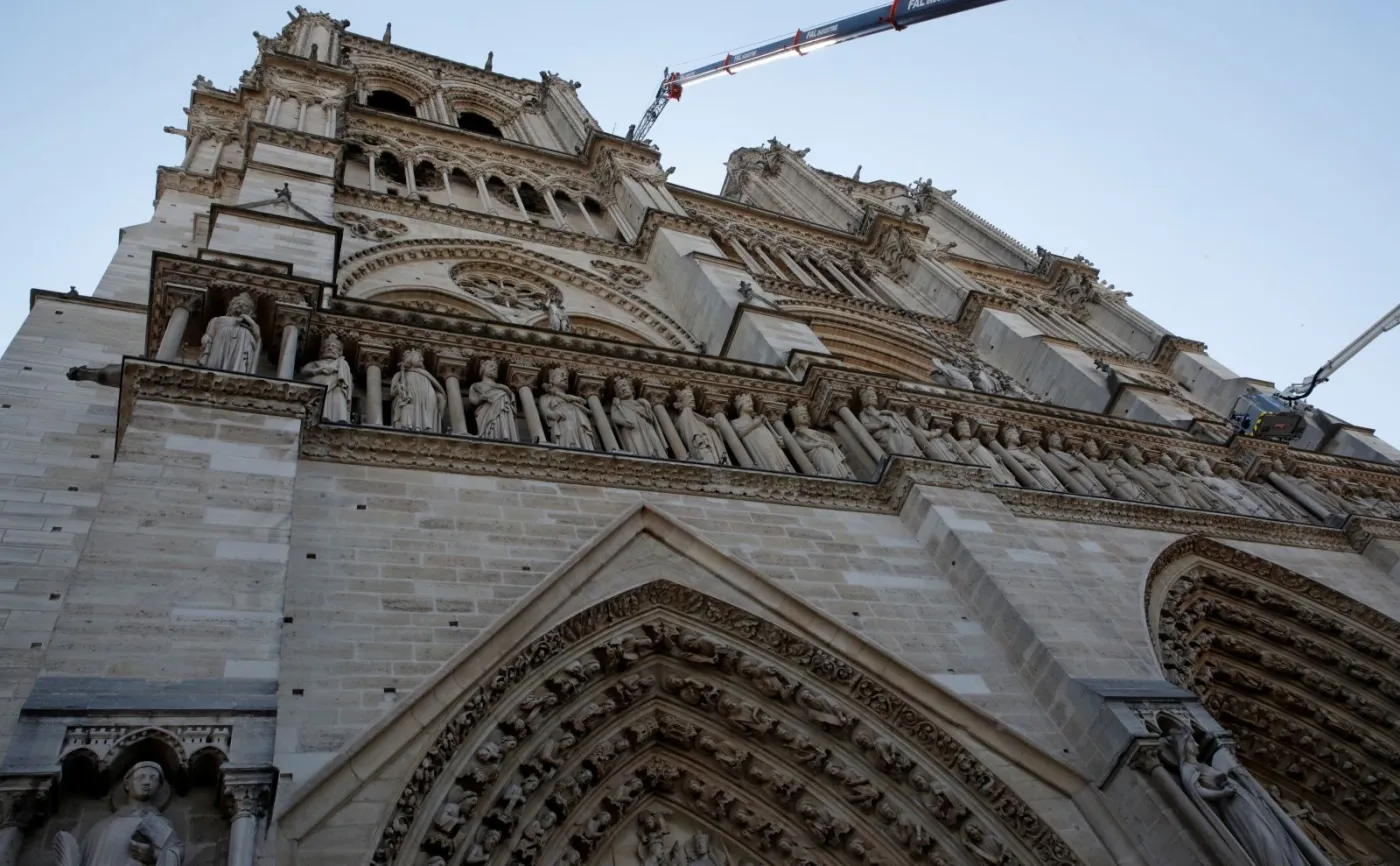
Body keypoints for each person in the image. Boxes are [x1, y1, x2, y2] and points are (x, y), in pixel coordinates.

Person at [54, 762, 185, 866]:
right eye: (141, 777)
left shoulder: (157, 823)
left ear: (159, 787)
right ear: (127, 784)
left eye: (153, 779)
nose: (147, 782)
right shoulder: (102, 827)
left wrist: (154, 855)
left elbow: (175, 852)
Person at [199, 292, 261, 373]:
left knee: (237, 367)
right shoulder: (218, 319)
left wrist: (248, 319)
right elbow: (209, 334)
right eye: (237, 303)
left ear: (249, 312)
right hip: (219, 346)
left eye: (245, 305)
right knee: (214, 366)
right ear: (230, 307)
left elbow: (257, 338)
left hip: (240, 350)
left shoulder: (250, 325)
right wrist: (206, 338)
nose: (240, 305)